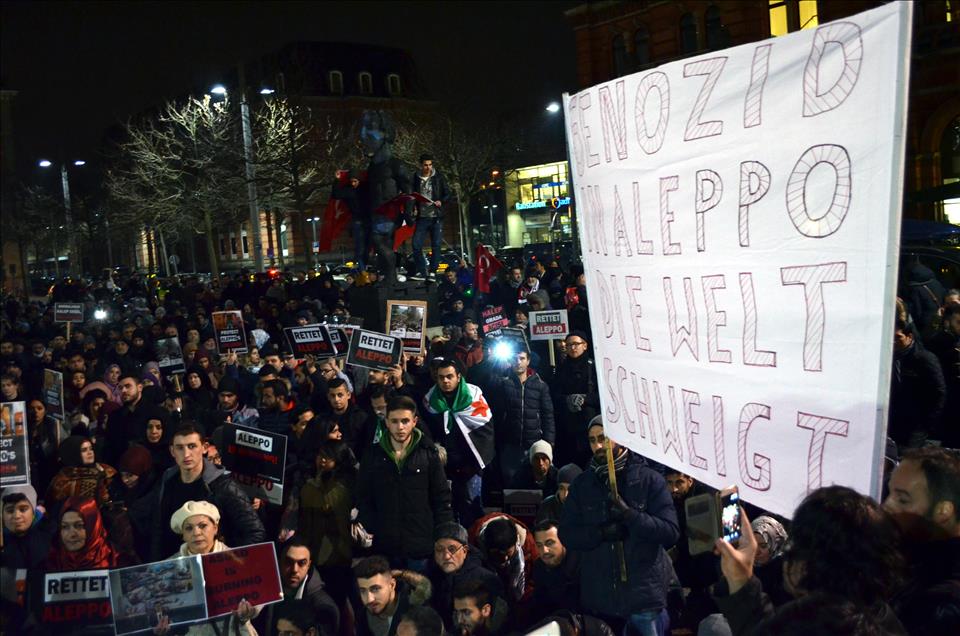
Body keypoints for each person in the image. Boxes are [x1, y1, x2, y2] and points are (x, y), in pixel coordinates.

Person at [713, 486, 907, 635]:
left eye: (794, 544)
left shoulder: (810, 624)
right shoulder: (883, 620)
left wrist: (741, 582)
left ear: (808, 563)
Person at [559, 416, 679, 635]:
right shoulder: (582, 486)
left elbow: (670, 532)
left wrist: (630, 516)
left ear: (620, 438)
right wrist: (601, 533)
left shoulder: (649, 480)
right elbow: (567, 534)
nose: (597, 446)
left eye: (603, 439)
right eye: (592, 440)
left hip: (643, 599)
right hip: (600, 602)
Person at [357, 396, 453, 571]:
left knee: (420, 596)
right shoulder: (372, 455)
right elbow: (364, 495)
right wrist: (371, 525)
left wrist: (442, 534)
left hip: (420, 545)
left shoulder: (428, 454)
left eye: (405, 421)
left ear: (414, 421)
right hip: (385, 545)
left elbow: (441, 497)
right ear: (386, 422)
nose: (400, 427)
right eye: (394, 421)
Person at [151, 423, 265, 559]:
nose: (186, 454)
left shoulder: (224, 486)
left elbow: (255, 531)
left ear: (204, 448)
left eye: (192, 446)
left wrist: (230, 563)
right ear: (172, 451)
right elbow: (159, 531)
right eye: (180, 448)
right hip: (179, 567)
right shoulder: (167, 482)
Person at [883, 447, 960, 635]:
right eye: (889, 492)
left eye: (902, 500)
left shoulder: (945, 599)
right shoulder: (904, 557)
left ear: (944, 511)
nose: (886, 506)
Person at [161, 500, 258, 635]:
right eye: (189, 528)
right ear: (182, 535)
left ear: (215, 528)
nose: (196, 532)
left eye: (203, 526)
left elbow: (258, 594)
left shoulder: (237, 559)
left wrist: (251, 610)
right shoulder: (168, 568)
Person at [422, 359, 494, 528]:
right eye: (441, 378)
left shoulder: (473, 398)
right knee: (448, 508)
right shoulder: (430, 400)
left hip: (471, 465)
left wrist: (475, 464)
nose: (445, 381)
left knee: (473, 506)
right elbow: (428, 430)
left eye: (449, 376)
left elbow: (486, 432)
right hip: (445, 466)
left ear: (458, 377)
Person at [492, 349, 555, 489]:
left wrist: (549, 441)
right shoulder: (502, 383)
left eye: (522, 358)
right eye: (515, 358)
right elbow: (496, 414)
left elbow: (548, 415)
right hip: (510, 444)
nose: (518, 362)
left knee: (536, 483)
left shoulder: (540, 385)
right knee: (511, 485)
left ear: (528, 361)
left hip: (534, 443)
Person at [257, 537, 340, 636]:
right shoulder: (265, 596)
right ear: (279, 562)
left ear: (308, 565)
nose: (294, 569)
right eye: (288, 562)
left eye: (301, 563)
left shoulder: (323, 607)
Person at [427, 521, 502, 630]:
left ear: (465, 551)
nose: (446, 556)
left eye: (452, 549)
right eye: (439, 549)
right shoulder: (429, 577)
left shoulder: (487, 579)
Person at [889, 318, 945, 448]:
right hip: (894, 419)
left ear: (909, 336)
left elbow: (939, 391)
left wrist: (928, 423)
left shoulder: (924, 359)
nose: (894, 342)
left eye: (898, 337)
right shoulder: (890, 357)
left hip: (917, 424)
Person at [550, 332, 599, 467]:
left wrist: (586, 399)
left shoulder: (593, 367)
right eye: (569, 345)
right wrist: (567, 400)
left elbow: (602, 396)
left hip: (589, 428)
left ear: (585, 345)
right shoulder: (561, 369)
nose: (573, 348)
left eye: (576, 344)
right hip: (568, 429)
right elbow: (554, 395)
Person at [469, 513, 539, 605]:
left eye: (508, 553)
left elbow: (534, 579)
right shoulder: (473, 542)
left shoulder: (528, 546)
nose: (505, 558)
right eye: (498, 554)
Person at [354, 555, 433, 636]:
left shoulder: (417, 612)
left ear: (392, 585)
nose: (369, 599)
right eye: (363, 591)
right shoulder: (362, 617)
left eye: (375, 589)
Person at [46, 496, 129, 570]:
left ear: (94, 528)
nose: (71, 534)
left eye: (79, 526)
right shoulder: (51, 564)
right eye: (64, 527)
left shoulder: (119, 562)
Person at [45, 435, 117, 511]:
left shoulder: (106, 471)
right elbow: (53, 509)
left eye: (91, 449)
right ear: (73, 453)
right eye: (84, 450)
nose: (90, 453)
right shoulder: (63, 480)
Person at [411, 154, 451, 280]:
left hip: (436, 217)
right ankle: (422, 271)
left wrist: (441, 201)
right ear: (421, 165)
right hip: (422, 217)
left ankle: (433, 271)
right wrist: (414, 208)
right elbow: (411, 195)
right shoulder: (415, 178)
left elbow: (448, 193)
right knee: (416, 245)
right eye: (425, 165)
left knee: (436, 245)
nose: (428, 167)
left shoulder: (438, 177)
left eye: (430, 164)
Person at [531, 519, 581, 620]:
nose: (544, 551)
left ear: (563, 541)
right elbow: (539, 607)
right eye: (539, 545)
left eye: (549, 543)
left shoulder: (581, 564)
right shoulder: (539, 567)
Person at [1, 485, 56, 569]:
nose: (16, 516)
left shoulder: (52, 536)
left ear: (33, 512)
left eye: (23, 510)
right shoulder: (3, 540)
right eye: (10, 511)